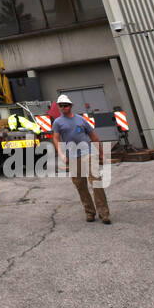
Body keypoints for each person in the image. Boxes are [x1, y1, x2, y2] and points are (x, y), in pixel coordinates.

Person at [50, 94, 110, 224]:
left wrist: (101, 154)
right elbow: (55, 138)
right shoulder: (58, 122)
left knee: (96, 182)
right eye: (61, 106)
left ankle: (104, 213)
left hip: (87, 153)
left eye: (65, 105)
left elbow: (93, 137)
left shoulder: (81, 120)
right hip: (72, 157)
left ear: (70, 106)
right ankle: (90, 212)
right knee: (80, 185)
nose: (63, 108)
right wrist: (60, 153)